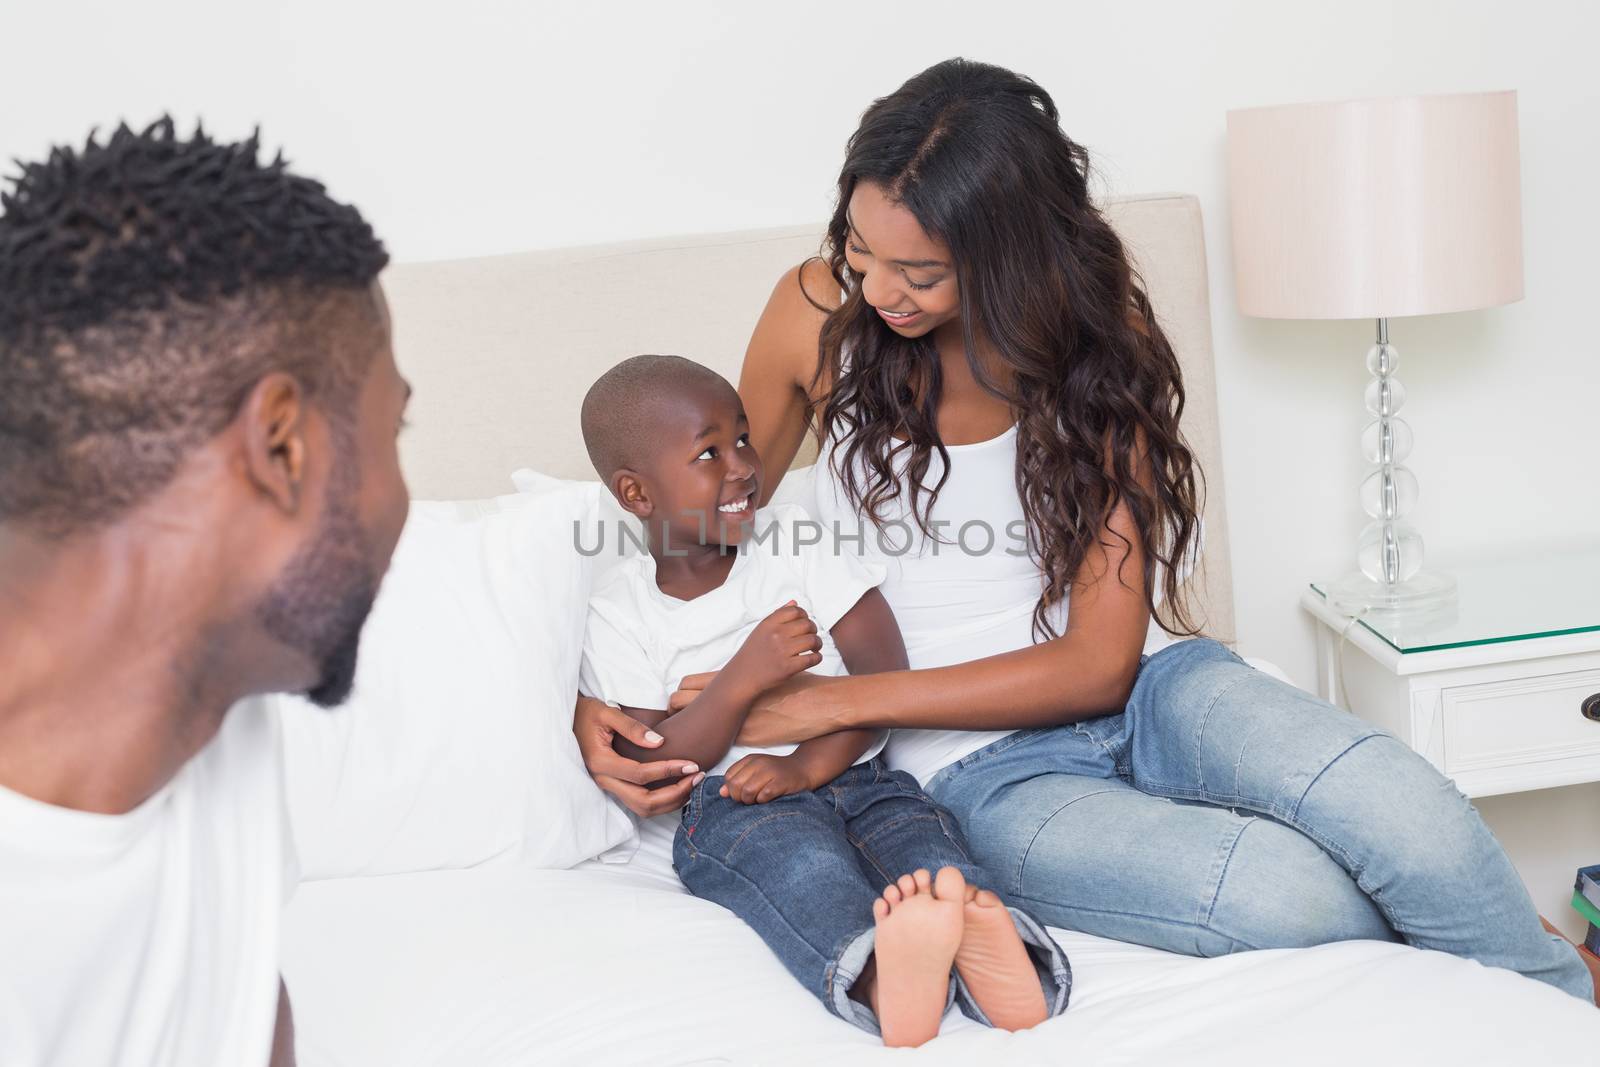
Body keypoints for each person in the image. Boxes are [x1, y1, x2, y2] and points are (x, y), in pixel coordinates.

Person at [576, 58, 1594, 1001]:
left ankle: (1561, 1003)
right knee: (1287, 898)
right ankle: (1515, 961)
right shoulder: (811, 314)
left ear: (1004, 254)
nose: (877, 290)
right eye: (857, 248)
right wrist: (595, 702)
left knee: (1398, 798)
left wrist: (828, 701)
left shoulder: (1094, 341)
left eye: (919, 271)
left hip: (1155, 684)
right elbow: (708, 511)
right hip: (974, 768)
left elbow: (1101, 663)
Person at [0, 119, 412, 1065]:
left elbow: (242, 1008)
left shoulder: (215, 697)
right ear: (283, 449)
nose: (401, 502)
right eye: (396, 428)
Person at [575, 355, 1070, 1046]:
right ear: (636, 493)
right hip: (736, 807)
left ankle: (1008, 961)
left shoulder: (799, 542)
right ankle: (880, 975)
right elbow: (661, 759)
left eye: (743, 437)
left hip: (863, 777)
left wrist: (807, 765)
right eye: (709, 452)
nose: (744, 466)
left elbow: (884, 677)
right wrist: (744, 675)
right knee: (803, 874)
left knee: (933, 855)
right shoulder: (622, 607)